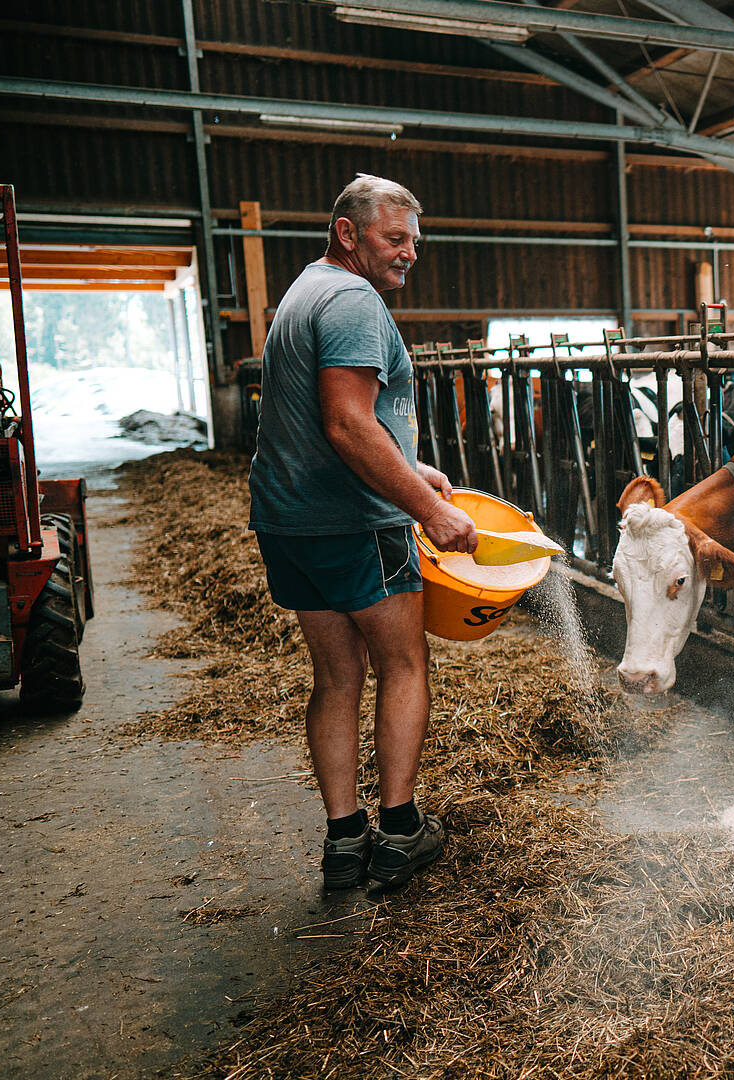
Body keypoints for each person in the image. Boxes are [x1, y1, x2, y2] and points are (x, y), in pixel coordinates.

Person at [247, 174, 478, 893]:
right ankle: (402, 830)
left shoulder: (305, 291)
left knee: (336, 677)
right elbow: (347, 423)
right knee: (403, 666)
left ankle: (346, 840)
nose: (409, 253)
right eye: (394, 238)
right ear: (348, 234)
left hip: (290, 521)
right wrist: (429, 511)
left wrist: (414, 469)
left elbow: (325, 420)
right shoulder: (353, 301)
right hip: (353, 524)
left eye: (415, 241)